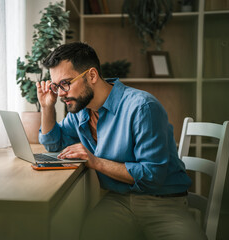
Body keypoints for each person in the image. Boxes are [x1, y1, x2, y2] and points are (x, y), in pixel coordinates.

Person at [36, 42, 206, 240]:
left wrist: (95, 162)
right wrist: (47, 107)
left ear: (92, 75)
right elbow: (53, 144)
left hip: (162, 202)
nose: (61, 93)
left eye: (65, 83)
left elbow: (152, 175)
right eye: (56, 86)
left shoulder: (142, 107)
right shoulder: (80, 110)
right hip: (118, 201)